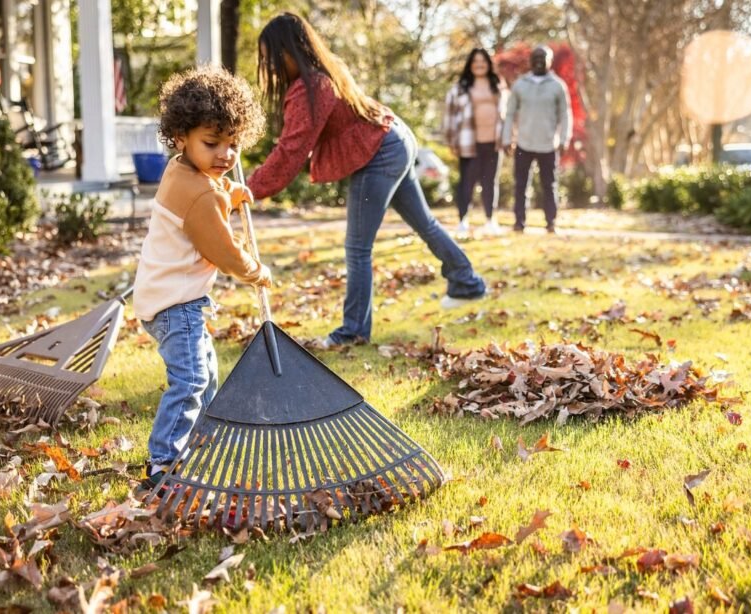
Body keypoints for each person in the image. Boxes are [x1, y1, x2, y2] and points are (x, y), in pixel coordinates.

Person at [247, 13, 487, 348]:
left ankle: (353, 331)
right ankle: (466, 281)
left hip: (379, 151)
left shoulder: (312, 86)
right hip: (394, 138)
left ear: (290, 50)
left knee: (357, 247)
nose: (269, 66)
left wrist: (247, 189)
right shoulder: (325, 74)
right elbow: (296, 147)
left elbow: (291, 151)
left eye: (271, 56)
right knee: (425, 223)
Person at [132, 66, 272, 495]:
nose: (225, 155)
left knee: (207, 374)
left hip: (165, 300)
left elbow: (200, 200)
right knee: (191, 380)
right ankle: (163, 464)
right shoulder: (201, 192)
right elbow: (220, 249)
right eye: (212, 144)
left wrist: (228, 194)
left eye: (232, 144)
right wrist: (254, 270)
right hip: (177, 306)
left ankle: (199, 449)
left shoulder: (180, 172)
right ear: (181, 136)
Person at [501, 45, 572, 234]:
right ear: (530, 61)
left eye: (544, 57)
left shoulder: (558, 85)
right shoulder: (520, 85)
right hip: (524, 143)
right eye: (536, 57)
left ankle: (551, 223)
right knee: (521, 185)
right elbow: (509, 114)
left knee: (549, 185)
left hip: (548, 144)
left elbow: (565, 115)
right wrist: (507, 138)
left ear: (550, 61)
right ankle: (519, 223)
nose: (540, 61)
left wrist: (565, 139)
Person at [443, 48, 507, 236]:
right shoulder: (460, 87)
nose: (479, 65)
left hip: (493, 142)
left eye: (483, 61)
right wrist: (451, 140)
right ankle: (463, 220)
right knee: (467, 183)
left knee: (490, 182)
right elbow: (449, 115)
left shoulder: (498, 85)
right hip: (467, 142)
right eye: (475, 62)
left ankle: (490, 220)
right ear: (470, 65)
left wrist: (509, 136)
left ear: (488, 64)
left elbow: (508, 113)